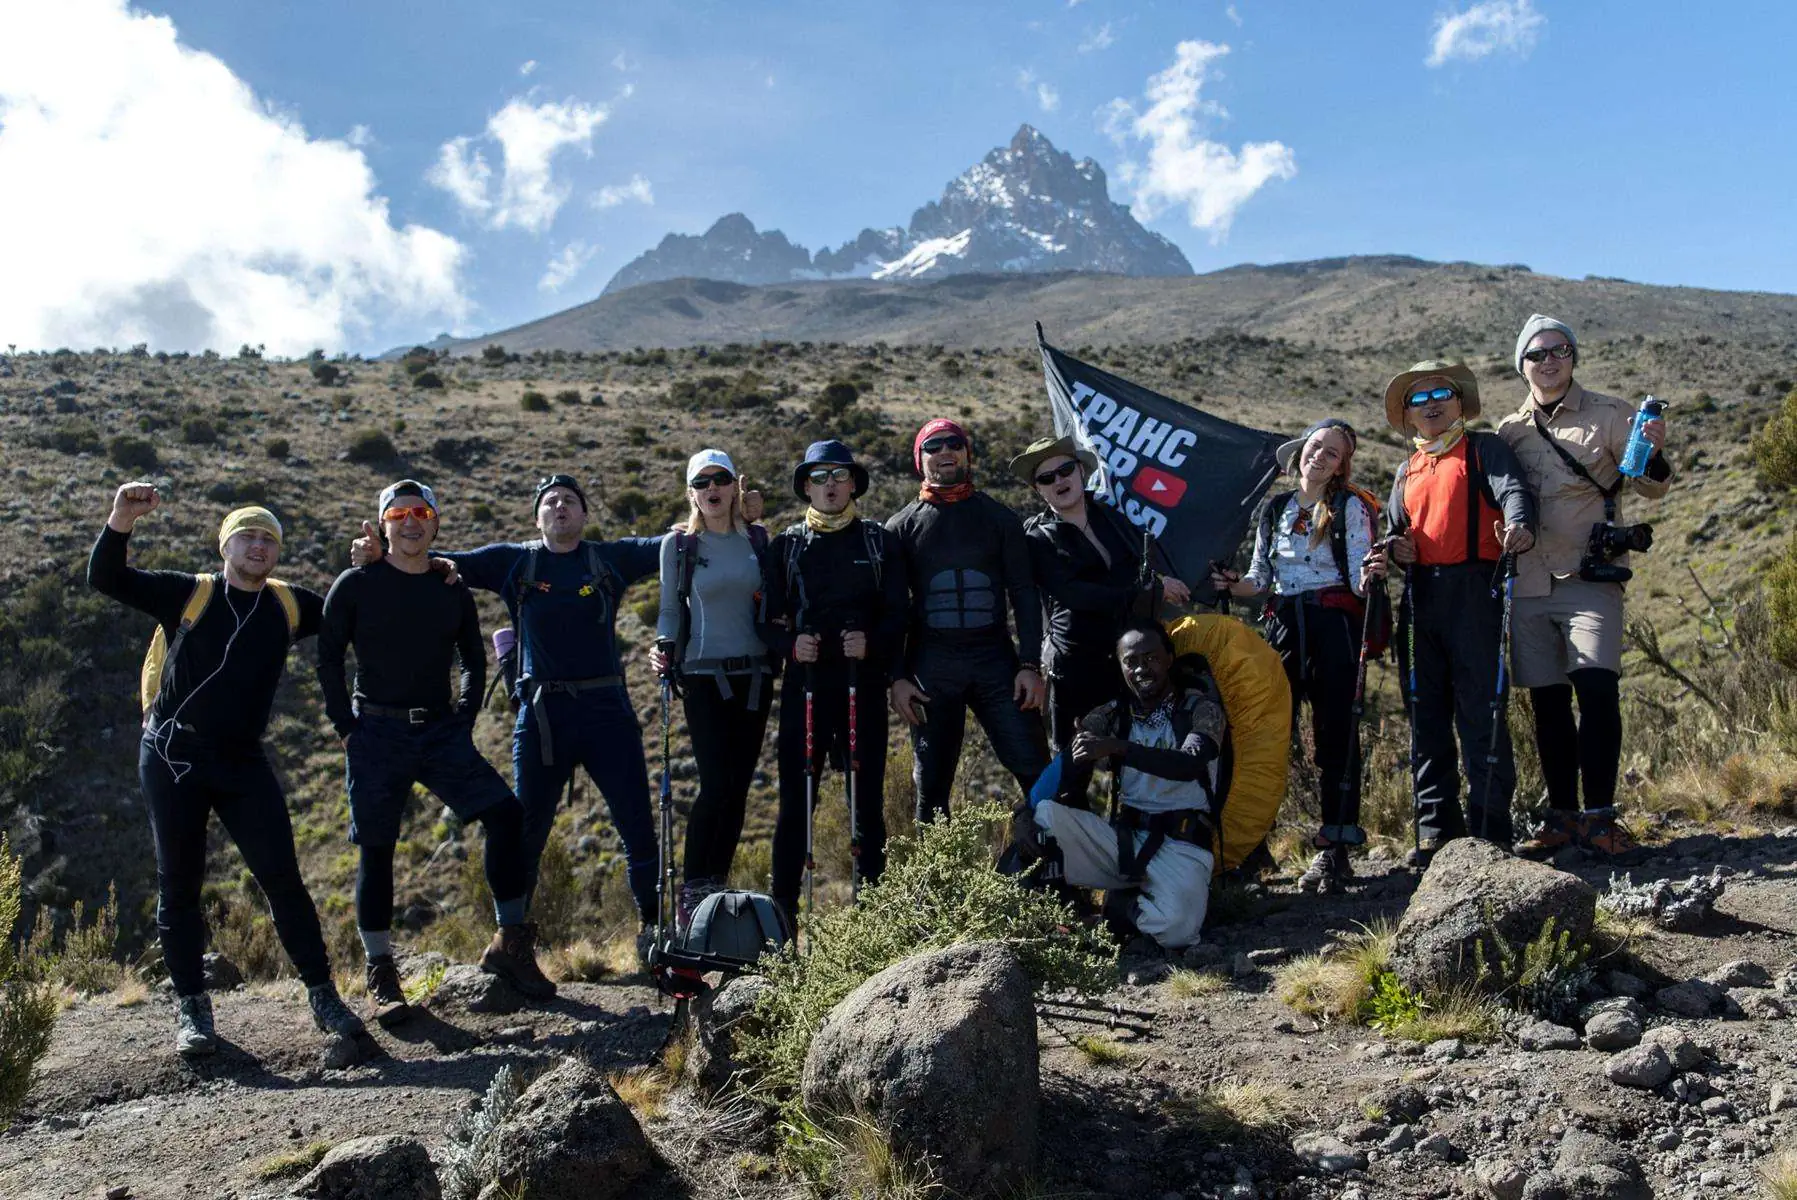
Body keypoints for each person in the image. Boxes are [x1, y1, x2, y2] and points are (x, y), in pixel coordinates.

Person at [88, 485, 365, 1057]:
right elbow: (107, 579)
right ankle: (194, 1011)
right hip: (172, 756)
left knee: (282, 878)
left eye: (269, 539)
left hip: (241, 760)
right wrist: (120, 520)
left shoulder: (289, 605)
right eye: (248, 536)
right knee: (179, 885)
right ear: (226, 545)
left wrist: (374, 563)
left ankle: (323, 994)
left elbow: (353, 610)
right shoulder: (189, 593)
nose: (259, 546)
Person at [318, 480, 554, 1023]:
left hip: (439, 732)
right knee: (376, 848)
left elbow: (473, 656)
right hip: (375, 733)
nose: (410, 522)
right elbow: (328, 657)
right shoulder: (355, 584)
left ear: (435, 523)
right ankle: (381, 971)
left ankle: (508, 944)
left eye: (421, 512)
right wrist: (344, 726)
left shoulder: (450, 588)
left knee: (505, 814)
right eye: (398, 514)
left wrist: (466, 715)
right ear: (383, 525)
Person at [1496, 315, 1672, 857]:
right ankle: (1561, 818)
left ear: (1573, 357)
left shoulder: (1612, 413)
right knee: (1547, 703)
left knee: (1597, 690)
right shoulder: (1508, 430)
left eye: (1560, 350)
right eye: (1537, 353)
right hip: (1527, 583)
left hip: (1590, 576)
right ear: (1522, 363)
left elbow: (1653, 486)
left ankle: (1600, 818)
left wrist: (1655, 450)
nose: (1549, 361)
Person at [1364, 362, 1536, 862]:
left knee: (1482, 713)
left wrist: (1520, 527)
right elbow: (1393, 533)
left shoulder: (1485, 450)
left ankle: (1491, 831)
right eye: (1419, 398)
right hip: (1420, 600)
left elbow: (1514, 496)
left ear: (1461, 403)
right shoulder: (1406, 470)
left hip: (1476, 593)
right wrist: (1396, 548)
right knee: (1426, 716)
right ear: (1408, 414)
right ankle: (1436, 832)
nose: (1432, 402)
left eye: (1443, 392)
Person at [1210, 419, 1379, 893]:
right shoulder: (1275, 508)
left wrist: (1374, 572)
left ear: (1342, 465)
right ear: (1301, 450)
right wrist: (1232, 586)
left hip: (1332, 626)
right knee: (1262, 733)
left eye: (1333, 452)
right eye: (1316, 446)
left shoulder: (1349, 508)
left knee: (1335, 734)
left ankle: (1335, 848)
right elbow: (1260, 578)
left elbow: (1360, 576)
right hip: (1282, 625)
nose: (1320, 456)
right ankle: (1250, 843)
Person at [758, 440, 907, 922]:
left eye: (839, 476)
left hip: (861, 689)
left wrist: (873, 644)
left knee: (866, 806)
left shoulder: (879, 542)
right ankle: (781, 922)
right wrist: (788, 647)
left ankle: (874, 917)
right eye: (819, 477)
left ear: (853, 484)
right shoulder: (786, 546)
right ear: (806, 486)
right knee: (794, 808)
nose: (830, 486)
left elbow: (900, 615)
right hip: (804, 691)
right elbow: (764, 620)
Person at [1007, 620, 1224, 951]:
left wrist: (1117, 748)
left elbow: (1189, 764)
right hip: (1123, 843)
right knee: (1041, 818)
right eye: (1131, 662)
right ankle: (1051, 919)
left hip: (1183, 846)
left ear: (1169, 657)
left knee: (1178, 930)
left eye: (1150, 658)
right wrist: (1026, 809)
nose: (1141, 669)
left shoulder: (1200, 710)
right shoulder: (1112, 716)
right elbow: (1067, 761)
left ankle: (1122, 909)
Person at [886, 419, 1050, 822]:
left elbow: (1025, 595)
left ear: (966, 453)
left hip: (996, 661)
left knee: (1038, 774)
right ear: (919, 460)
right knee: (932, 787)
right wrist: (897, 678)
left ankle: (1060, 878)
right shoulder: (900, 528)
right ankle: (940, 883)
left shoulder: (1001, 519)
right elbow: (892, 610)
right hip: (931, 666)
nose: (945, 452)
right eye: (934, 446)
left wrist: (1030, 665)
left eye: (954, 444)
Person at [650, 450, 774, 924]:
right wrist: (664, 643)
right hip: (703, 676)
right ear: (691, 494)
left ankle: (715, 887)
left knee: (739, 789)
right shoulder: (679, 546)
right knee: (715, 783)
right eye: (702, 483)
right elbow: (668, 607)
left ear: (734, 487)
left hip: (755, 675)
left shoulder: (757, 539)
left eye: (720, 479)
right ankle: (693, 888)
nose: (712, 488)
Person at [1015, 434, 1190, 754]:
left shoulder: (1113, 516)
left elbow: (1142, 559)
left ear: (1081, 471)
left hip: (1130, 661)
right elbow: (1074, 595)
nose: (1059, 480)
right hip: (1075, 667)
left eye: (1065, 470)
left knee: (1138, 753)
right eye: (1046, 477)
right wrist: (1146, 592)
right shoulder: (1037, 538)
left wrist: (1159, 581)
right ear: (1038, 489)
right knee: (1072, 761)